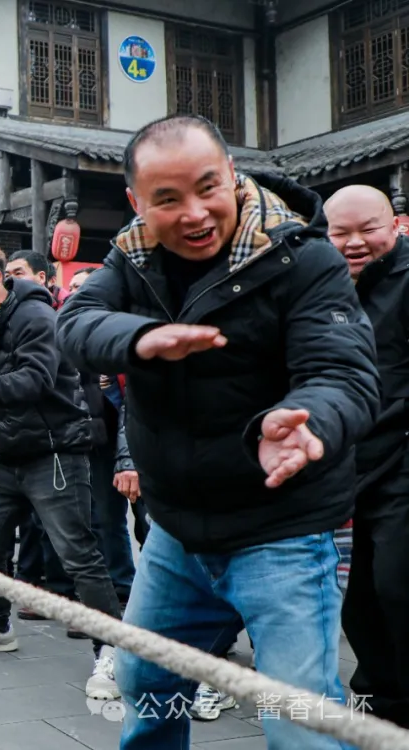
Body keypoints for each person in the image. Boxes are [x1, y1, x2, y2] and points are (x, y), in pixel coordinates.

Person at [57, 114, 381, 749]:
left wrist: (302, 424)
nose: (196, 213)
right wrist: (142, 338)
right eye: (167, 199)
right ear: (137, 203)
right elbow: (76, 321)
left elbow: (343, 372)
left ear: (233, 175)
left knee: (300, 723)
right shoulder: (131, 258)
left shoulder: (304, 259)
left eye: (208, 187)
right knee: (144, 689)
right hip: (174, 530)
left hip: (281, 529)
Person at [0, 243, 121, 700]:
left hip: (55, 454)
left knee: (78, 553)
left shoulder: (38, 317)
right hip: (7, 458)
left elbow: (35, 380)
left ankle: (113, 651)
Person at [325, 184, 409, 729]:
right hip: (350, 459)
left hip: (403, 455)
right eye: (341, 233)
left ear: (395, 225)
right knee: (356, 596)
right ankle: (378, 697)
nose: (355, 243)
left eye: (369, 229)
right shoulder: (322, 287)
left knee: (397, 583)